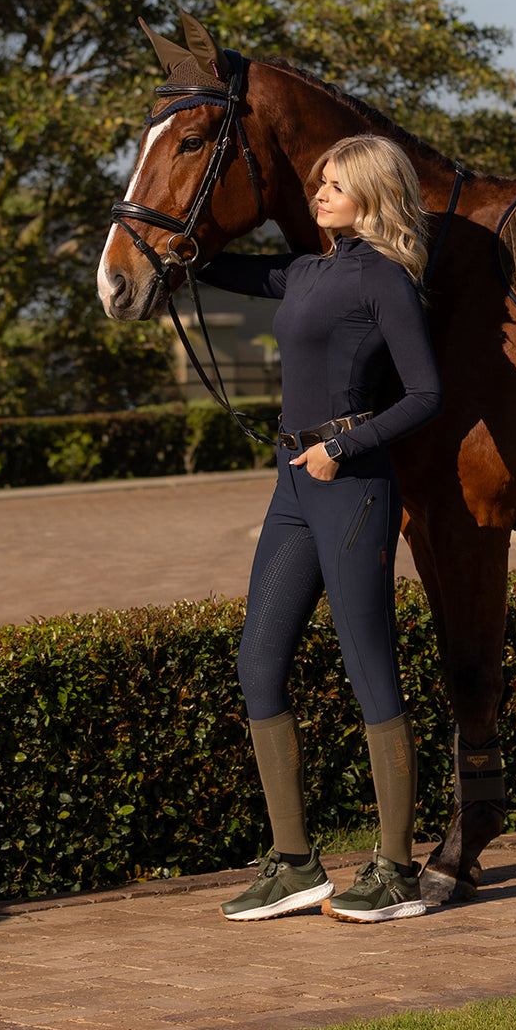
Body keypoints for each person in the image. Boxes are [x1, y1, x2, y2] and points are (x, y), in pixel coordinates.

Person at [198, 134, 443, 923]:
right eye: (318, 184)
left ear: (371, 191)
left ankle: (398, 868)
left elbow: (424, 396)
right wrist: (161, 240)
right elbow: (213, 268)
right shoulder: (308, 270)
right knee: (258, 662)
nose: (318, 194)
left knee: (371, 670)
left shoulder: (386, 282)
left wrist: (342, 447)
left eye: (334, 184)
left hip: (351, 486)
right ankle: (295, 863)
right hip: (291, 489)